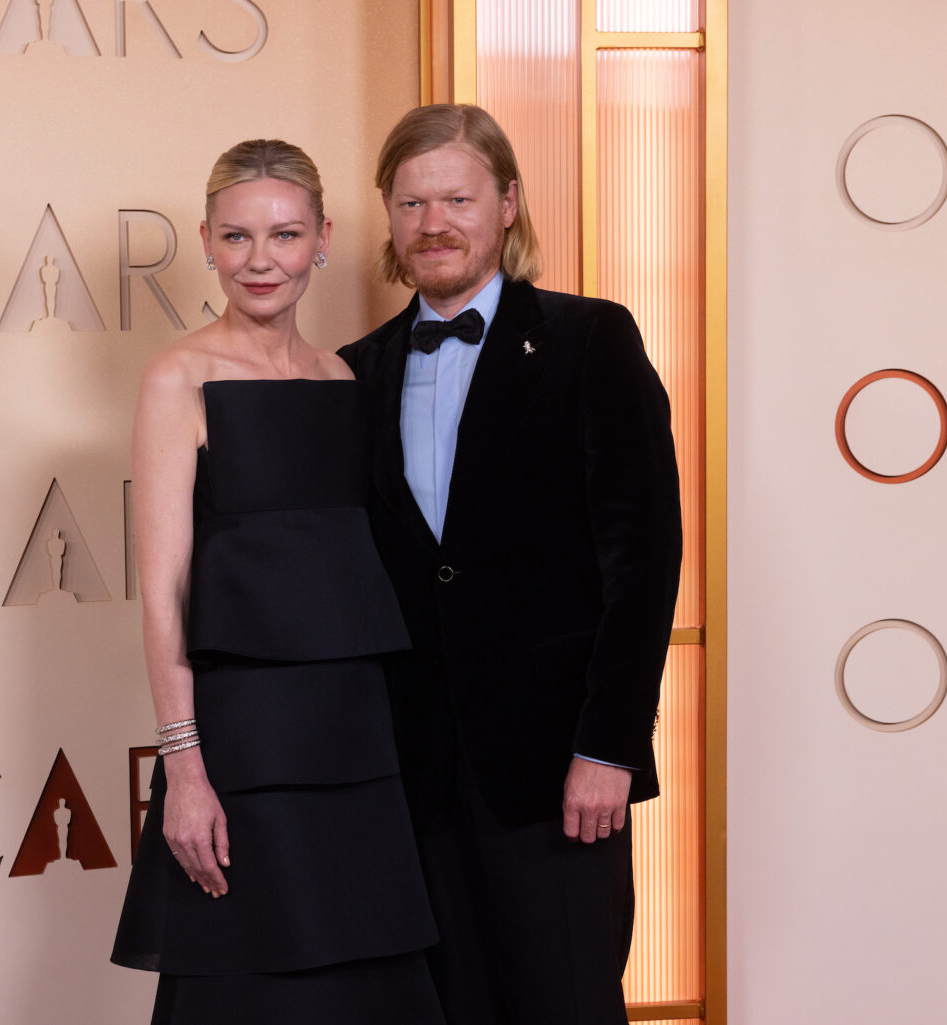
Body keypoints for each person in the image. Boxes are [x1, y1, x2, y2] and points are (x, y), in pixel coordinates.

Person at [339, 104, 684, 1025]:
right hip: (413, 779)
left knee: (565, 1006)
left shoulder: (591, 341)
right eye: (412, 203)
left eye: (458, 197)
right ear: (388, 214)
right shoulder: (354, 372)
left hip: (558, 773)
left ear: (508, 204)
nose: (435, 223)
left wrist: (609, 744)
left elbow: (644, 561)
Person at [110, 139, 444, 1025]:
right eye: (238, 237)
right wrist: (185, 769)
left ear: (324, 239)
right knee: (248, 986)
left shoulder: (342, 377)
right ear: (208, 242)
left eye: (286, 235)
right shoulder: (177, 377)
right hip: (243, 744)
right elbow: (165, 588)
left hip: (353, 739)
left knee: (365, 983)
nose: (262, 260)